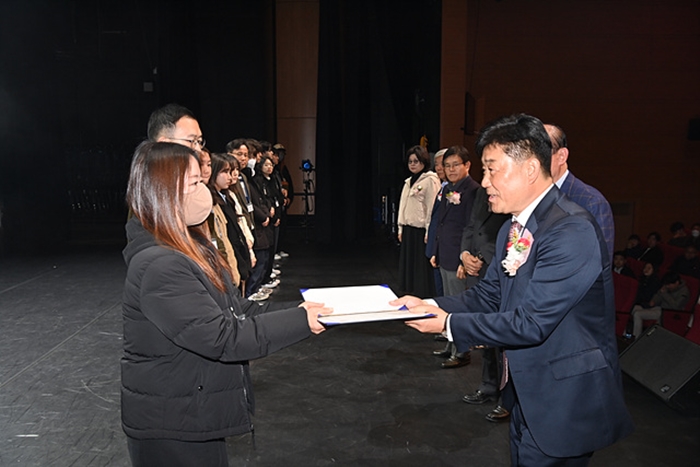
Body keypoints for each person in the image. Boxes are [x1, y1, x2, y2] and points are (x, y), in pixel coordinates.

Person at [393, 114, 633, 465]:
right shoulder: (513, 228)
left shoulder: (571, 230)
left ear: (531, 169)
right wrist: (428, 304)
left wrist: (447, 325)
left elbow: (532, 323)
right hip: (526, 393)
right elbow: (489, 295)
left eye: (493, 170)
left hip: (564, 399)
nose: (485, 182)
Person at [121, 141, 329, 466]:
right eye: (193, 182)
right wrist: (302, 322)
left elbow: (237, 310)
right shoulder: (161, 264)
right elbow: (223, 337)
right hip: (173, 426)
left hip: (192, 415)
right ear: (165, 191)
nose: (203, 189)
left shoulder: (188, 246)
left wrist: (303, 311)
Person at [457, 186, 510, 420]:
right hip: (476, 267)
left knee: (504, 336)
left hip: (498, 265)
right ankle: (488, 386)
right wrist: (465, 254)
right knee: (484, 330)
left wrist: (483, 258)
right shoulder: (482, 191)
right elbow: (472, 225)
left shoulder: (514, 191)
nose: (487, 179)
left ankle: (508, 398)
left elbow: (508, 231)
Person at [429, 146, 480, 369]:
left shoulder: (474, 191)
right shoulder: (449, 188)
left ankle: (462, 351)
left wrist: (463, 259)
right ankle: (451, 346)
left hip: (458, 258)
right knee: (448, 304)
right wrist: (436, 251)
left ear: (467, 165)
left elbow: (473, 229)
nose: (450, 169)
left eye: (455, 165)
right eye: (446, 166)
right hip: (445, 253)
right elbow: (441, 223)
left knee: (459, 306)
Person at [545, 124, 615, 258]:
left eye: (541, 155)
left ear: (561, 156)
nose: (533, 163)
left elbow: (600, 264)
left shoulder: (591, 202)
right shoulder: (527, 197)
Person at [397, 145, 441, 297]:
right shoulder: (408, 181)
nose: (413, 164)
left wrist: (429, 230)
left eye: (416, 161)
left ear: (424, 161)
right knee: (410, 264)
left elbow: (431, 207)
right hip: (409, 228)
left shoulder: (430, 180)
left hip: (421, 229)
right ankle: (412, 291)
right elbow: (403, 205)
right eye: (410, 161)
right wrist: (400, 228)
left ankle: (423, 293)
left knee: (421, 265)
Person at [631, 271, 690, 338]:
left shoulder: (684, 292)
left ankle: (636, 338)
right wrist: (654, 300)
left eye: (669, 285)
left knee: (637, 314)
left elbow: (676, 306)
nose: (667, 286)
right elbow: (658, 294)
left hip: (668, 313)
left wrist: (664, 294)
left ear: (677, 283)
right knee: (635, 308)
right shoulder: (667, 286)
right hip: (658, 307)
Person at [426, 148, 448, 297]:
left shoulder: (454, 190)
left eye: (442, 164)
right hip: (436, 244)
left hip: (447, 248)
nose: (438, 168)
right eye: (436, 165)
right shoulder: (442, 187)